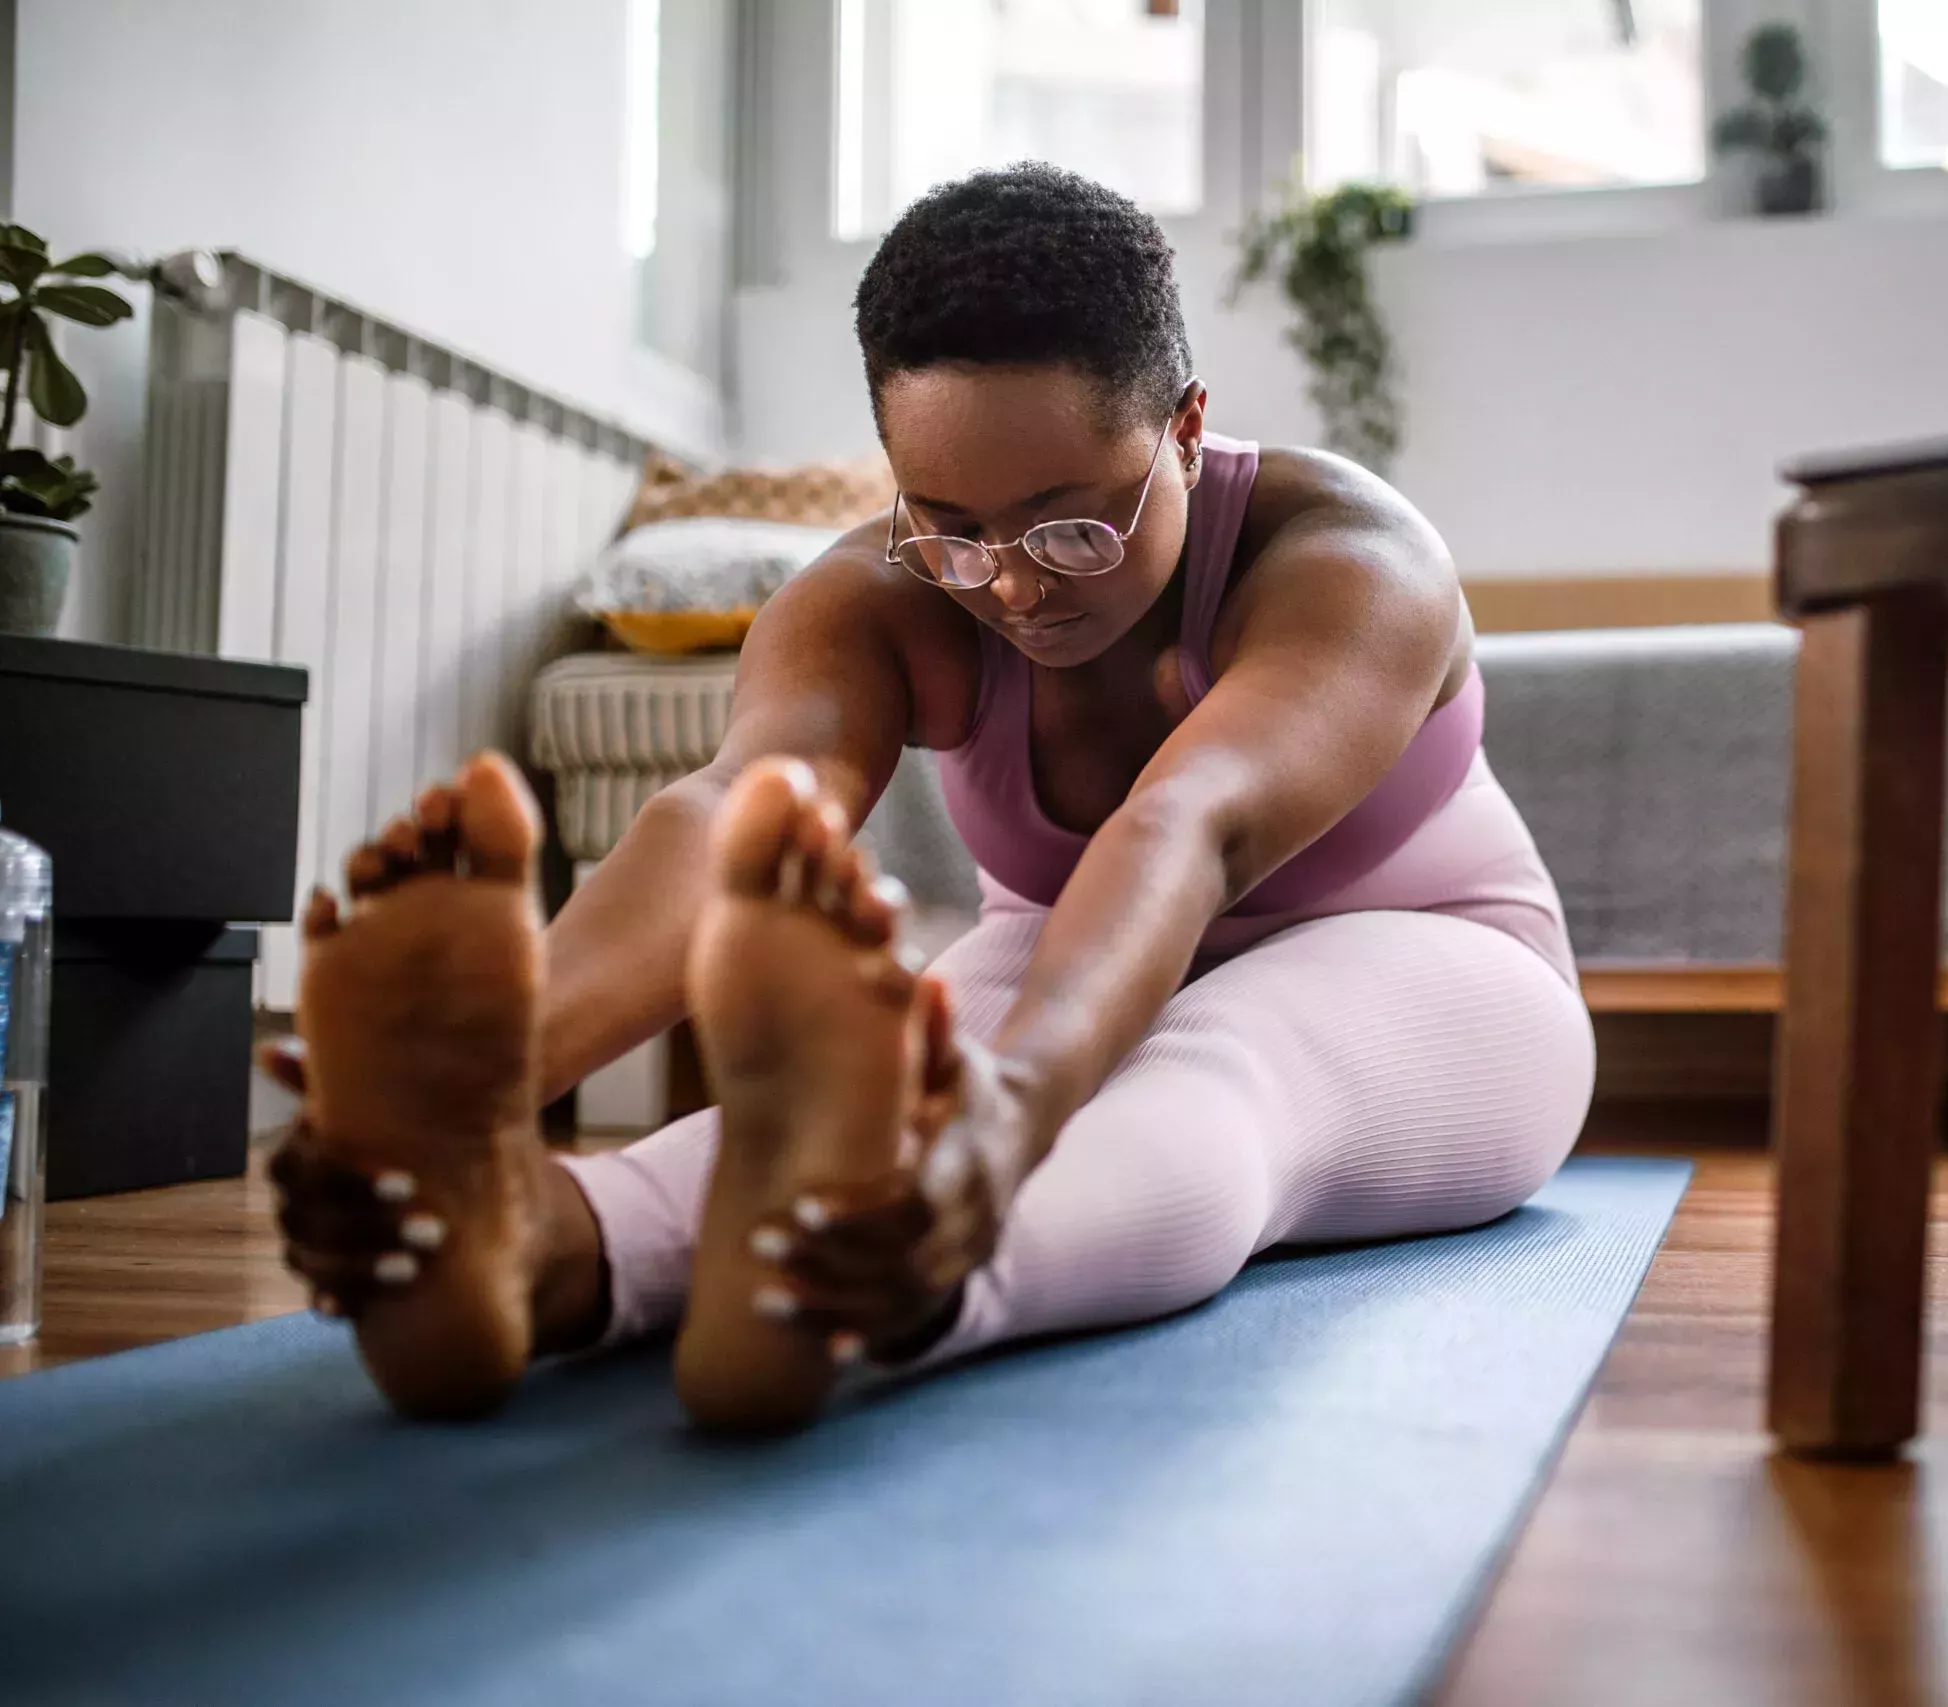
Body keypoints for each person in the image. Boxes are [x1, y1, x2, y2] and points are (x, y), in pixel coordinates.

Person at [264, 164, 1595, 1433]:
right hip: (1065, 939)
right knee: (878, 1096)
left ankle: (884, 1285)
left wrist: (1005, 1117)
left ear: (1185, 425)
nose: (1011, 584)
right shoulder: (877, 593)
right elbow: (741, 806)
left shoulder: (1350, 559)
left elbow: (1184, 827)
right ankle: (537, 1244)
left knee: (1213, 1074)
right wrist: (490, 1070)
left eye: (1073, 522)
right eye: (950, 522)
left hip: (1439, 970)